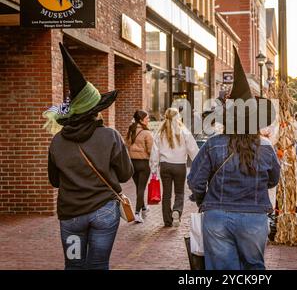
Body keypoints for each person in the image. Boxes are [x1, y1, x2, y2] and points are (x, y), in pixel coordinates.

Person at [188, 47, 280, 270]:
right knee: (254, 267)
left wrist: (203, 199)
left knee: (222, 269)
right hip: (254, 215)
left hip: (216, 215)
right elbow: (273, 180)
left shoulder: (213, 144)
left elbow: (195, 181)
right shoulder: (266, 147)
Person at [46, 43, 134, 270]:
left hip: (71, 214)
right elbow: (125, 175)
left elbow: (54, 181)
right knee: (98, 264)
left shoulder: (57, 141)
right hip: (104, 211)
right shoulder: (110, 136)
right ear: (95, 110)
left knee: (74, 265)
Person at [152, 108, 199, 228]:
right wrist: (199, 163)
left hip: (165, 166)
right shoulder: (184, 131)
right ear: (178, 117)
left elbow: (154, 151)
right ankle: (177, 211)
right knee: (179, 192)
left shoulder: (160, 132)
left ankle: (167, 221)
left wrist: (153, 168)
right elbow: (193, 149)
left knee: (166, 194)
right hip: (179, 166)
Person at [126, 110, 153, 224]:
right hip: (143, 163)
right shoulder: (147, 133)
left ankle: (143, 208)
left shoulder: (130, 130)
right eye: (147, 118)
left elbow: (126, 144)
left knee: (138, 187)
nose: (148, 120)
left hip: (132, 163)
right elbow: (150, 149)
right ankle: (137, 213)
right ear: (141, 120)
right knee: (141, 188)